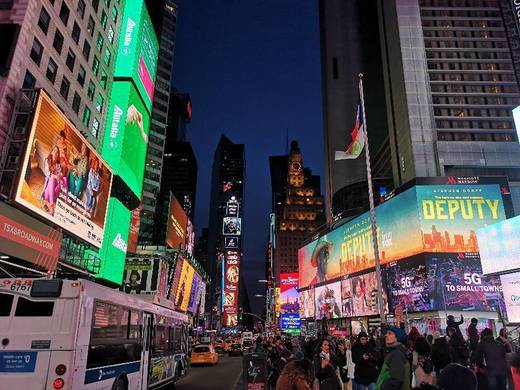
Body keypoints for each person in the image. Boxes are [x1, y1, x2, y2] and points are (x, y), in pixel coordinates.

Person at [41, 146, 62, 216]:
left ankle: (49, 204)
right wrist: (56, 176)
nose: (56, 153)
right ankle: (52, 204)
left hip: (54, 188)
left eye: (57, 152)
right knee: (52, 179)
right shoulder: (47, 160)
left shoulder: (58, 164)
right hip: (48, 186)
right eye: (54, 151)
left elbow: (59, 174)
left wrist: (59, 176)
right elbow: (48, 173)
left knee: (59, 184)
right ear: (52, 152)